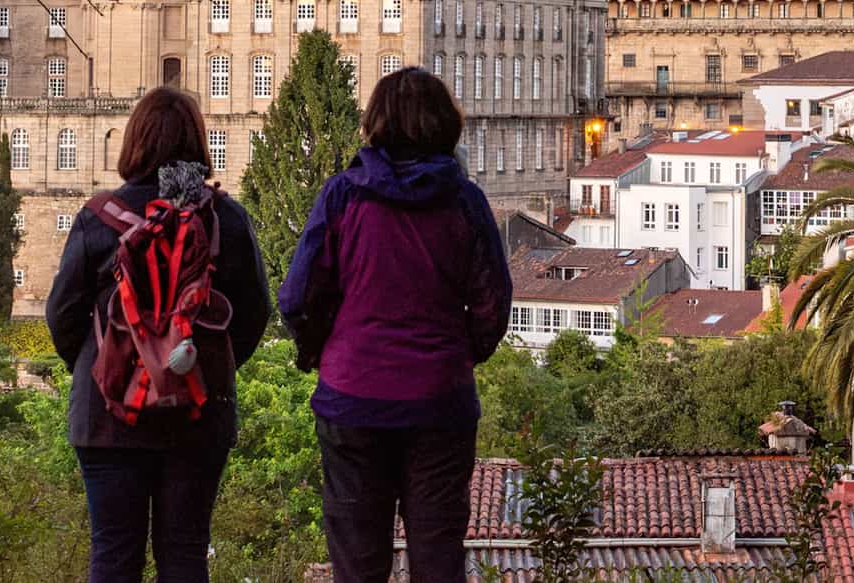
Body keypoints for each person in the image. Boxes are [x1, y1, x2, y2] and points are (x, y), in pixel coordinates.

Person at [278, 67, 512, 582]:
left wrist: (324, 348)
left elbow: (297, 297)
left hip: (352, 397)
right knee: (437, 556)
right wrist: (457, 352)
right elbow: (494, 303)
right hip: (439, 400)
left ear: (375, 123)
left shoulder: (342, 197)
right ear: (446, 125)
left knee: (358, 563)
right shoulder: (465, 203)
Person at [47, 86, 270, 583]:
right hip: (197, 408)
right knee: (186, 553)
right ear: (199, 142)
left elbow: (62, 316)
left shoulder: (97, 219)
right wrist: (206, 369)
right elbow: (255, 313)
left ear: (134, 143)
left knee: (113, 554)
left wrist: (102, 370)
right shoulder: (225, 219)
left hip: (107, 416)